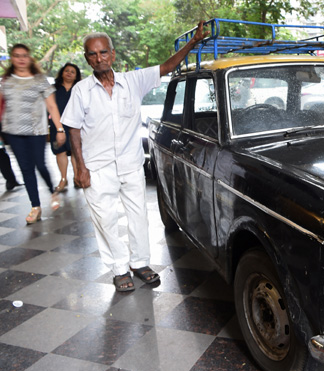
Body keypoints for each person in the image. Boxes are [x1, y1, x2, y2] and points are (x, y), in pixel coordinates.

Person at [61, 21, 209, 292]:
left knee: (138, 214)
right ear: (87, 59)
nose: (99, 58)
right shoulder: (81, 91)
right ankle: (119, 268)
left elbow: (166, 67)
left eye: (103, 52)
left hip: (130, 164)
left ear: (113, 54)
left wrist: (193, 43)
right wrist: (79, 168)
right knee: (105, 219)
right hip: (97, 167)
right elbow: (73, 131)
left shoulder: (133, 81)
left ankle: (140, 263)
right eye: (92, 54)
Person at [0, 44, 66, 224]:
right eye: (16, 55)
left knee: (40, 164)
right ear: (12, 58)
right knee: (26, 169)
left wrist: (59, 129)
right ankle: (35, 206)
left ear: (30, 58)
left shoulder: (39, 80)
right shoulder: (6, 81)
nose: (21, 59)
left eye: (24, 55)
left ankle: (53, 191)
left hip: (36, 131)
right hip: (12, 132)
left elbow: (52, 106)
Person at [50, 63, 82, 192]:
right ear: (62, 73)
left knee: (75, 151)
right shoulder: (53, 89)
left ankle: (77, 177)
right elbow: (49, 107)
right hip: (57, 126)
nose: (69, 73)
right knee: (60, 152)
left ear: (76, 76)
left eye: (72, 72)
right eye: (66, 71)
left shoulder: (79, 89)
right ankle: (63, 179)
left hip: (75, 125)